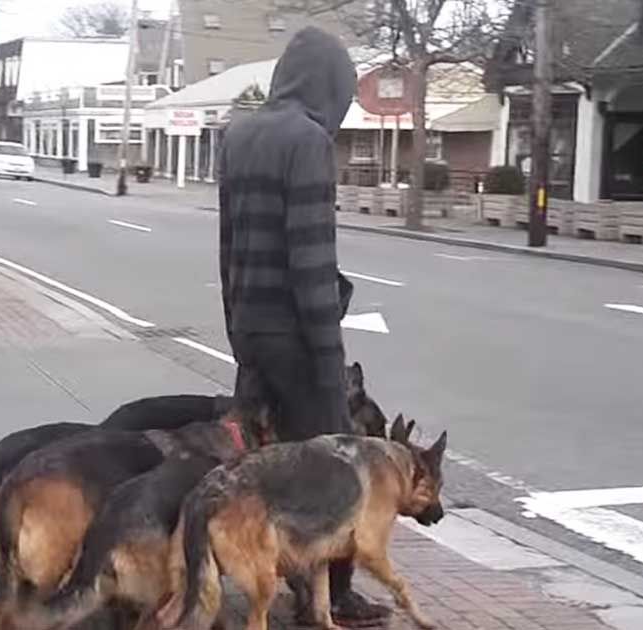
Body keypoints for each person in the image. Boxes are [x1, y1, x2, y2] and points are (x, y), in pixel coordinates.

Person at [217, 26, 389, 627]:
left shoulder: (237, 134)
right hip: (297, 334)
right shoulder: (308, 142)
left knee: (263, 465)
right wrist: (328, 359)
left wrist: (237, 325)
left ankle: (260, 572)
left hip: (250, 327)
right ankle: (330, 598)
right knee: (331, 471)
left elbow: (228, 246)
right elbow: (310, 261)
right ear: (328, 87)